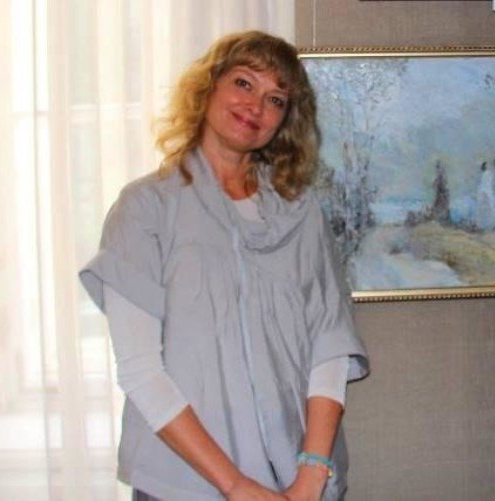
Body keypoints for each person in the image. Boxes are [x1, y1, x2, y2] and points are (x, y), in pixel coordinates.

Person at [79, 31, 369, 501]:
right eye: (244, 82)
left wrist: (312, 475)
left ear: (286, 119)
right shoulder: (145, 208)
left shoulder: (301, 212)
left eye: (275, 99)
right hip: (183, 485)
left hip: (300, 481)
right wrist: (234, 485)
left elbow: (329, 348)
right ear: (209, 85)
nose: (256, 106)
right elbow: (140, 370)